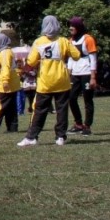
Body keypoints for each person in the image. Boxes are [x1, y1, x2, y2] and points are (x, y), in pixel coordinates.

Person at [18, 15, 80, 147]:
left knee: (39, 110)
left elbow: (31, 62)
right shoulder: (63, 41)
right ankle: (60, 137)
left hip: (45, 82)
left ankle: (32, 137)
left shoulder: (39, 42)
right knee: (62, 110)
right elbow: (77, 55)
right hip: (62, 81)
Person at [67, 16, 98, 136]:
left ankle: (87, 125)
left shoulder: (88, 39)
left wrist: (93, 77)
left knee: (87, 100)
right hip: (75, 73)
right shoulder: (70, 41)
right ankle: (78, 123)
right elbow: (70, 58)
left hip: (86, 73)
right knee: (71, 98)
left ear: (79, 27)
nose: (70, 28)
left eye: (72, 26)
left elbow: (93, 58)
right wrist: (68, 73)